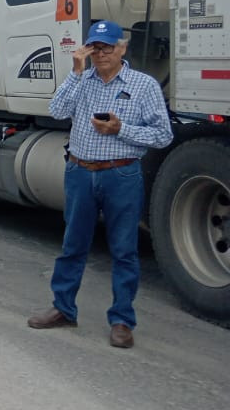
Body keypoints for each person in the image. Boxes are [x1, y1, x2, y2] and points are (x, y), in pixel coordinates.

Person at [27, 20, 172, 349]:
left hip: (121, 175)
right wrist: (75, 72)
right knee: (72, 246)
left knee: (124, 251)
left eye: (108, 47)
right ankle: (63, 308)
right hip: (80, 172)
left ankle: (122, 320)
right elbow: (57, 110)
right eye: (95, 47)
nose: (101, 53)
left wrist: (121, 129)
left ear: (122, 48)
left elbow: (163, 135)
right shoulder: (82, 80)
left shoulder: (143, 85)